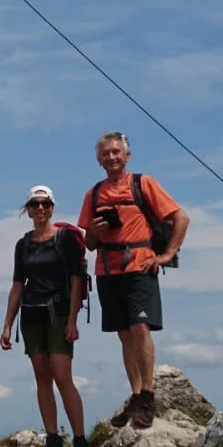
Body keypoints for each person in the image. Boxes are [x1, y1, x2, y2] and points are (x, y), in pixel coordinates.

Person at [79, 132, 189, 430]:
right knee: (125, 335)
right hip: (108, 269)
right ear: (99, 160)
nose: (112, 158)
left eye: (117, 152)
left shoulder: (144, 184)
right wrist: (95, 230)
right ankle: (136, 394)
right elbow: (88, 242)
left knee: (140, 327)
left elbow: (181, 217)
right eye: (106, 154)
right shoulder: (94, 194)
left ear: (127, 155)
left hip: (141, 265)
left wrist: (167, 254)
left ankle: (148, 396)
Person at [0, 186, 90, 447]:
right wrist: (7, 324)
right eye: (35, 204)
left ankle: (80, 442)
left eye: (45, 204)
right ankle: (53, 439)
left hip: (59, 312)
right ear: (27, 209)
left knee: (62, 376)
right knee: (42, 377)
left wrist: (72, 319)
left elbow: (76, 280)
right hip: (32, 313)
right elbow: (17, 284)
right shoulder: (23, 244)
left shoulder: (64, 240)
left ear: (53, 207)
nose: (40, 209)